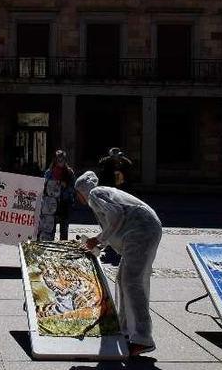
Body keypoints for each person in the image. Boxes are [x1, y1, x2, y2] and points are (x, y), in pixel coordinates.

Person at [75, 171, 162, 356]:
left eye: (77, 193)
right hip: (142, 230)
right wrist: (100, 243)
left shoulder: (95, 194)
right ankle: (126, 331)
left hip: (141, 231)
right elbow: (114, 224)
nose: (77, 198)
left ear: (82, 190)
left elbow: (116, 217)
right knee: (124, 280)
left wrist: (97, 239)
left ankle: (143, 338)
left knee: (132, 282)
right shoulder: (102, 194)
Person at [43, 150, 75, 240]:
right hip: (51, 203)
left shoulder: (69, 172)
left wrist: (65, 186)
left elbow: (73, 188)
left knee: (64, 228)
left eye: (62, 160)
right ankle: (50, 245)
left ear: (65, 160)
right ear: (55, 160)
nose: (60, 162)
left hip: (64, 203)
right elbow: (44, 186)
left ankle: (63, 246)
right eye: (58, 160)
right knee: (50, 227)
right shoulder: (49, 172)